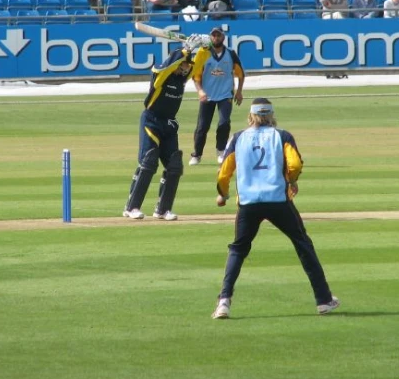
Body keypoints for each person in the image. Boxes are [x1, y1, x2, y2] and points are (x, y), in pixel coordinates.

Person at [211, 97, 340, 319]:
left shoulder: (238, 138)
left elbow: (224, 172)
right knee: (303, 245)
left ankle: (224, 301)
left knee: (238, 249)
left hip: (248, 203)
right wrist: (291, 180)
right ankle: (324, 300)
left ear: (251, 116)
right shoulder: (282, 136)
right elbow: (295, 164)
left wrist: (223, 194)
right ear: (271, 116)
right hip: (278, 200)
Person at [122, 35, 211, 221]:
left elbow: (199, 62)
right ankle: (132, 207)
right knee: (149, 161)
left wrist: (205, 46)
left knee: (174, 165)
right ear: (177, 64)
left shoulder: (182, 79)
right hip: (151, 121)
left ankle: (163, 209)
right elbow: (170, 64)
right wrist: (186, 49)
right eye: (184, 64)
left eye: (188, 65)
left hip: (169, 123)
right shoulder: (161, 76)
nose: (187, 68)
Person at [189, 27, 244, 167]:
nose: (216, 38)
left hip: (225, 95)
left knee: (224, 123)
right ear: (210, 38)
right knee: (202, 127)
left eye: (218, 36)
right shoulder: (203, 54)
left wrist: (239, 92)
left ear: (223, 37)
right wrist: (200, 91)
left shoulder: (231, 54)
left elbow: (241, 74)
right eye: (213, 36)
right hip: (207, 95)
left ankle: (221, 151)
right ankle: (197, 154)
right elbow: (196, 76)